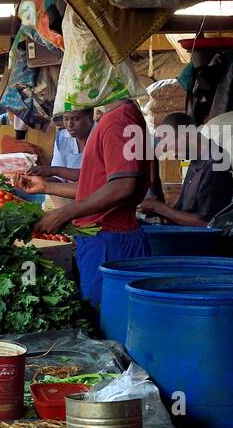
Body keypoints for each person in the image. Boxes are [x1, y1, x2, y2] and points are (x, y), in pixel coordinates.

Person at [18, 96, 153, 307]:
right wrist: (47, 186)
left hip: (108, 240)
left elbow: (123, 185)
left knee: (104, 317)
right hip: (104, 238)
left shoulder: (118, 120)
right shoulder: (121, 117)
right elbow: (98, 184)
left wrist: (65, 213)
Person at [137, 112, 233, 226]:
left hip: (199, 240)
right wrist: (154, 207)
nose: (173, 156)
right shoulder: (196, 161)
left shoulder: (215, 162)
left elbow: (206, 223)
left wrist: (158, 208)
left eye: (169, 148)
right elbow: (182, 210)